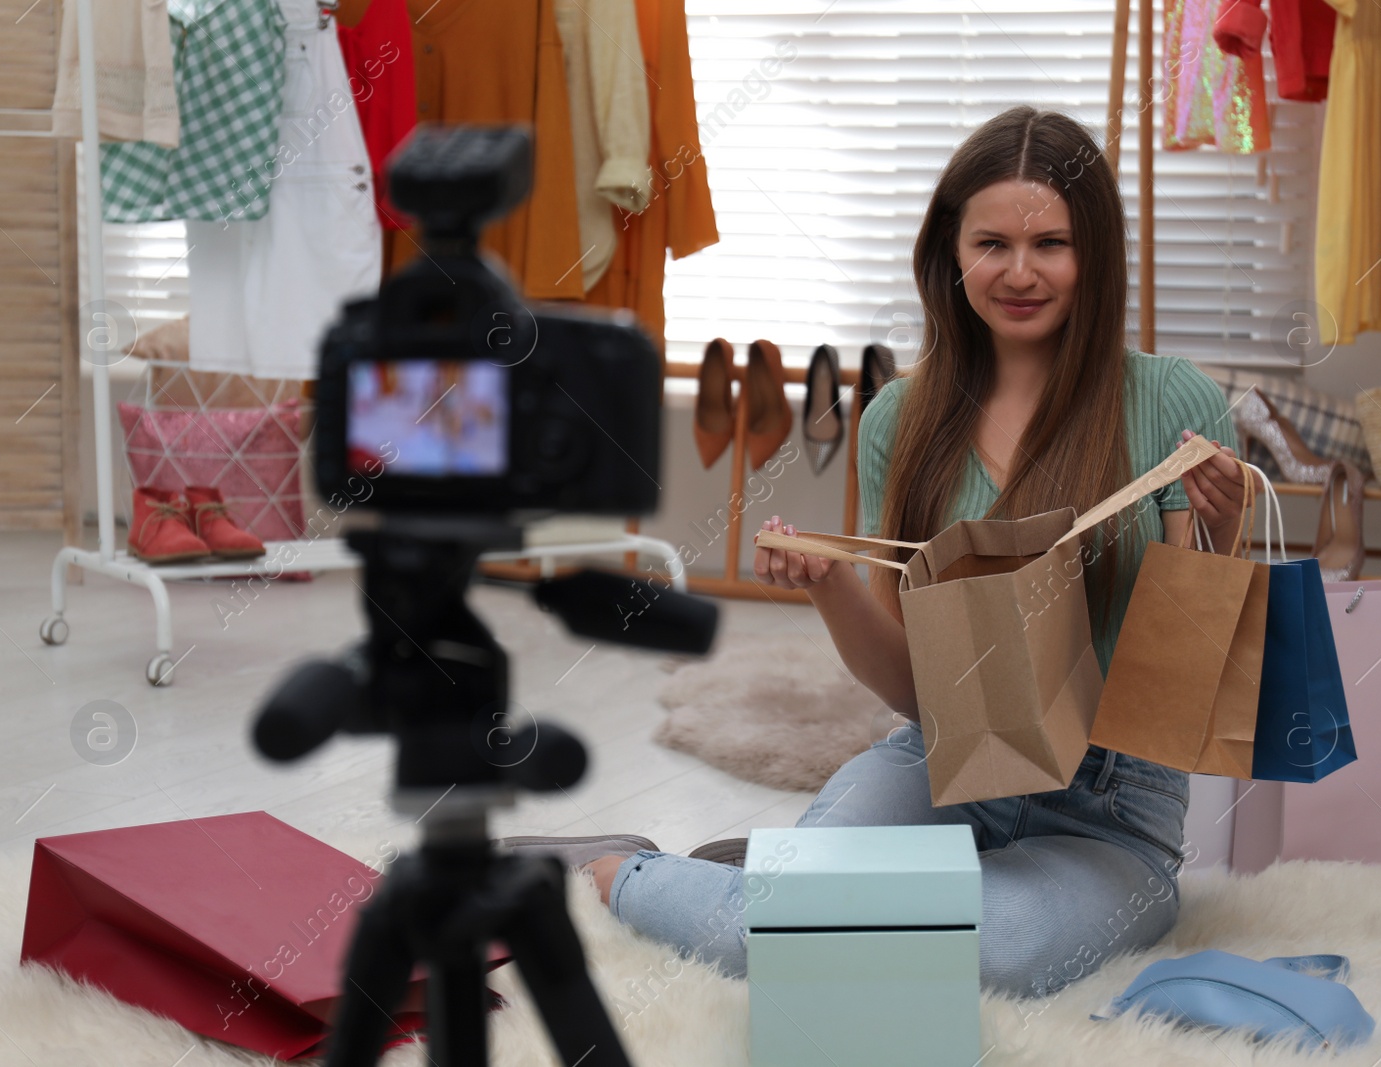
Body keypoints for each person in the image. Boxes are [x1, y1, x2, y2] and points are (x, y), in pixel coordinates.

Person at [502, 106, 1250, 998]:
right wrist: (829, 588)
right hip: (942, 759)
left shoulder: (1174, 402)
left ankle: (769, 885)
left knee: (989, 950)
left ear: (1096, 253)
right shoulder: (902, 415)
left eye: (1051, 243)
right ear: (950, 249)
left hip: (1110, 811)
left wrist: (1218, 543)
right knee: (826, 932)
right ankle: (620, 874)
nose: (1019, 272)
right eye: (991, 243)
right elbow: (911, 688)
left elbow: (1187, 694)